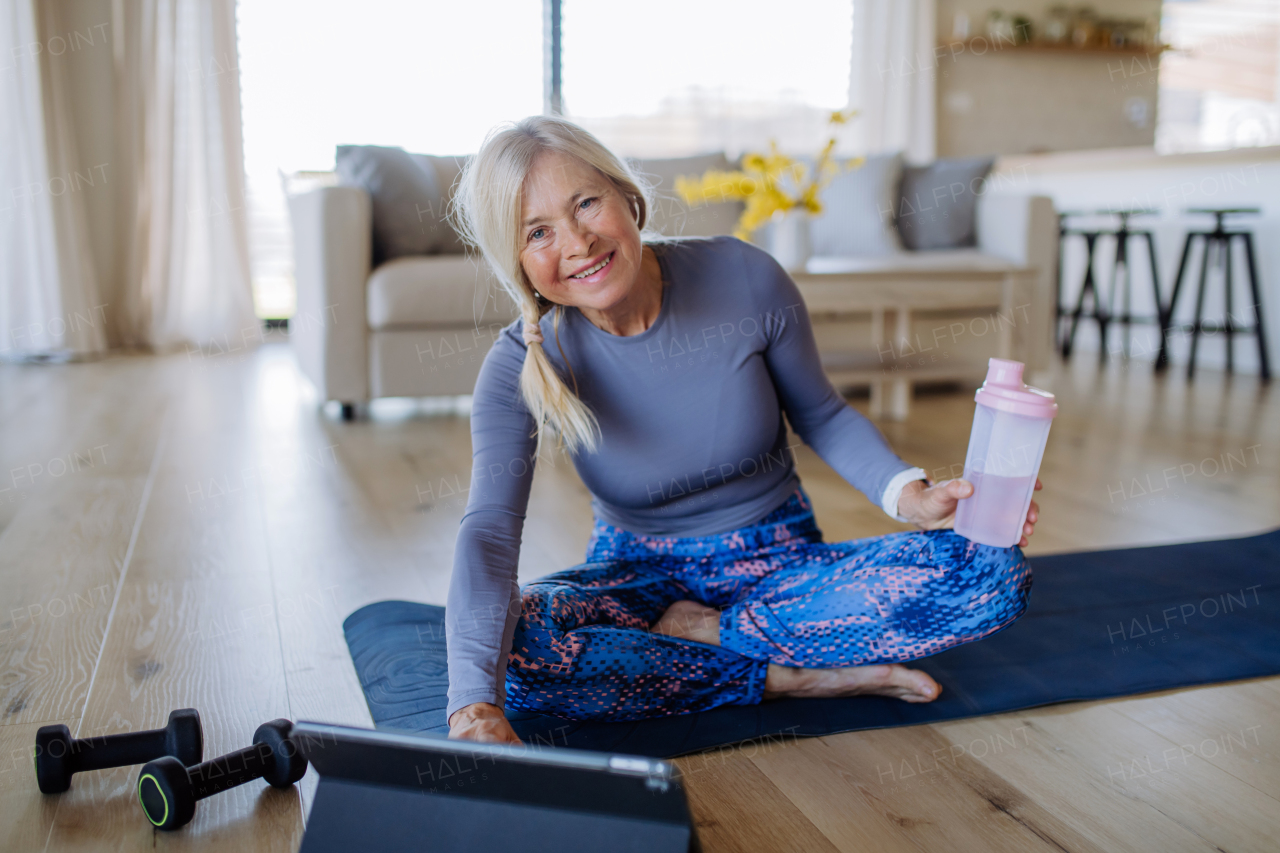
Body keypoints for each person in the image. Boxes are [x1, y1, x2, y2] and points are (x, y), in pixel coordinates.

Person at [445, 116, 1041, 745]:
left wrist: (910, 496)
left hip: (779, 562)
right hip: (637, 575)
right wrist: (472, 709)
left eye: (587, 203)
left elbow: (823, 414)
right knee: (517, 652)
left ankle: (707, 639)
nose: (576, 241)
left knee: (991, 570)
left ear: (629, 198)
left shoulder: (744, 276)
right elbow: (489, 528)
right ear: (517, 261)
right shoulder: (519, 361)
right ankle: (788, 675)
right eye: (538, 232)